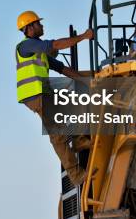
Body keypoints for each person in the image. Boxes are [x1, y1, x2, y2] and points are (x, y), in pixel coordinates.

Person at [15, 10, 94, 186]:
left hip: (43, 93)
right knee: (57, 135)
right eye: (38, 23)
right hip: (35, 95)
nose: (42, 26)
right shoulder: (26, 46)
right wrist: (83, 36)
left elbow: (62, 69)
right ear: (29, 27)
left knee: (73, 93)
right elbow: (56, 45)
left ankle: (79, 140)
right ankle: (76, 172)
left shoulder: (39, 52)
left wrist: (87, 82)